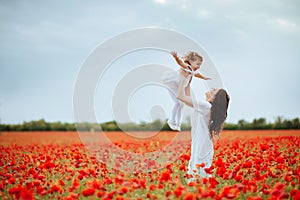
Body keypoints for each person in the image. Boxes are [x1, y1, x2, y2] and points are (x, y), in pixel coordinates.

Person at [176, 72, 230, 182]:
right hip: (201, 146)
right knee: (199, 179)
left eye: (214, 91)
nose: (211, 90)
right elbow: (187, 98)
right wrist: (188, 83)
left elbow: (181, 97)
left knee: (198, 178)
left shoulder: (206, 106)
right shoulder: (206, 108)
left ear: (215, 99)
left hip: (201, 147)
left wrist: (182, 79)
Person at [162, 51, 211, 131]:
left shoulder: (192, 71)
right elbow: (180, 63)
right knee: (178, 103)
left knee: (181, 104)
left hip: (177, 86)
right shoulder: (186, 67)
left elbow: (197, 74)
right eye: (198, 64)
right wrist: (176, 57)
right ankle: (171, 121)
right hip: (172, 85)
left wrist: (204, 78)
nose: (199, 66)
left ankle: (178, 123)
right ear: (191, 62)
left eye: (200, 65)